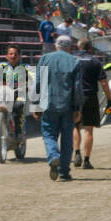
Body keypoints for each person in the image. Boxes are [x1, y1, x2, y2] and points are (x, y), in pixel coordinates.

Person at [36, 34, 82, 181]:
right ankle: (64, 171)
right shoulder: (75, 61)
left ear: (56, 45)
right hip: (68, 105)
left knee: (49, 134)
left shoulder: (44, 59)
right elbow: (77, 87)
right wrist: (78, 108)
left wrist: (36, 105)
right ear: (70, 47)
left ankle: (53, 155)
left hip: (49, 104)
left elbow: (38, 83)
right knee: (67, 138)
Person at [72, 39, 110, 169]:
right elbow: (104, 83)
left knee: (75, 126)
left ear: (78, 47)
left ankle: (77, 153)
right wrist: (109, 99)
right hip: (90, 96)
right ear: (90, 48)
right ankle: (87, 160)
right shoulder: (94, 61)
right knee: (89, 129)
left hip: (75, 97)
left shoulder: (72, 60)